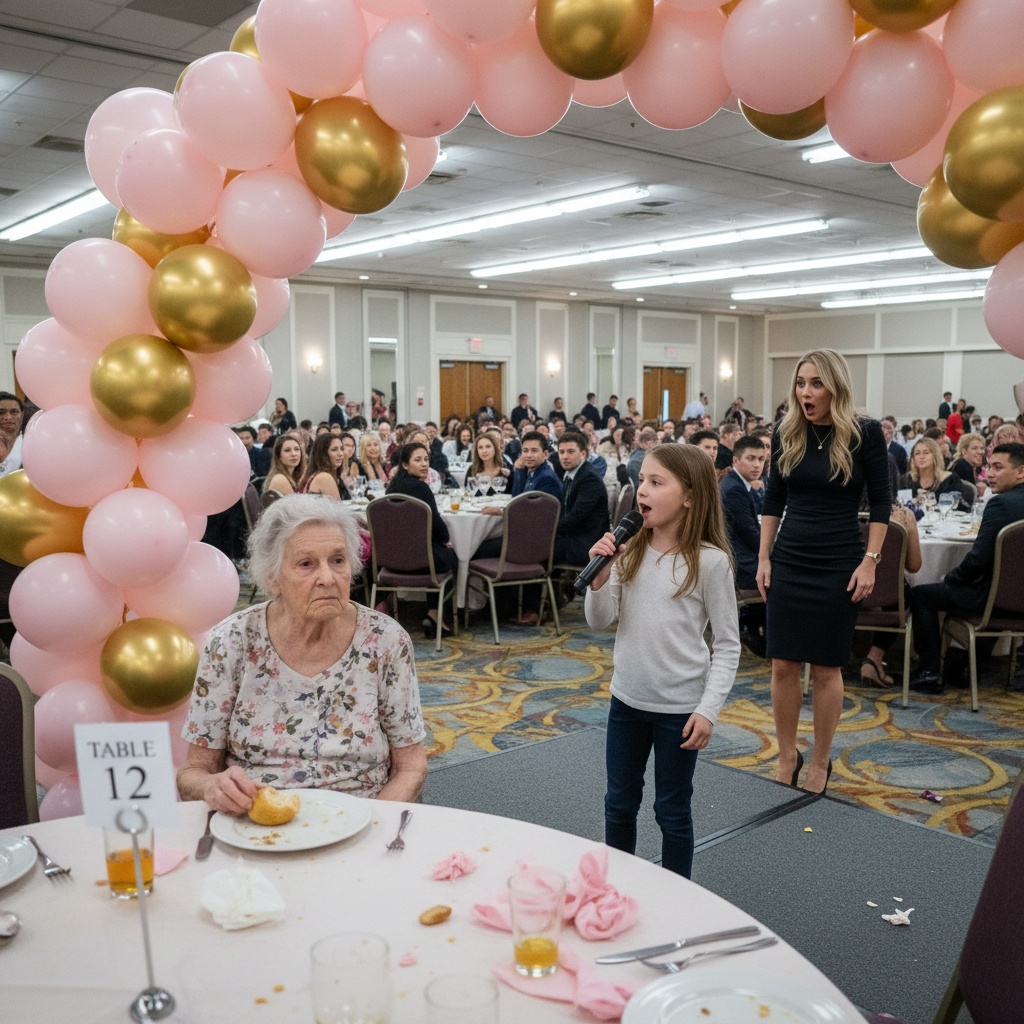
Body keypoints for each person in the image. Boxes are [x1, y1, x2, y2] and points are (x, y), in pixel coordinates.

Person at [176, 497, 427, 810]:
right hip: (259, 824)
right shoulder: (231, 642)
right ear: (273, 578)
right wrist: (213, 786)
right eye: (306, 564)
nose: (327, 577)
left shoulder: (386, 641)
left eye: (338, 560)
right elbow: (192, 774)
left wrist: (375, 822)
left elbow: (412, 767)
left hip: (363, 819)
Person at [584, 443, 740, 878]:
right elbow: (601, 621)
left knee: (671, 810)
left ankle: (678, 897)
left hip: (679, 711)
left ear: (689, 496)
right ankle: (618, 888)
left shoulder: (709, 562)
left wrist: (708, 710)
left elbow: (728, 644)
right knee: (619, 803)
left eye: (657, 483)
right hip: (627, 702)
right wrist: (598, 579)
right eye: (642, 483)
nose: (643, 492)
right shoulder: (628, 548)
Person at [757, 350, 890, 795]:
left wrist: (869, 561)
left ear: (835, 386)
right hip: (791, 555)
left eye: (815, 383)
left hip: (838, 559)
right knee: (782, 664)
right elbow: (773, 500)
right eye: (800, 383)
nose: (805, 392)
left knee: (827, 669)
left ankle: (820, 759)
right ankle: (788, 752)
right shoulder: (786, 431)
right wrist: (764, 558)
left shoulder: (864, 433)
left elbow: (883, 504)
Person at [909, 443, 1024, 693]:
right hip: (1017, 601)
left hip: (995, 601)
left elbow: (978, 560)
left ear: (1021, 472)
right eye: (988, 467)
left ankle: (929, 671)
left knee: (922, 594)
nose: (989, 474)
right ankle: (967, 665)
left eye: (998, 467)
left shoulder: (1001, 504)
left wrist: (951, 577)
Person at [386, 441, 458, 635]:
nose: (424, 464)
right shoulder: (420, 488)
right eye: (418, 460)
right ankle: (436, 614)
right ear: (405, 464)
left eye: (426, 459)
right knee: (452, 557)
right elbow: (436, 523)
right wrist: (445, 540)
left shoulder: (393, 487)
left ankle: (433, 614)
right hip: (420, 558)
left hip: (391, 559)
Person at [858, 504, 923, 687]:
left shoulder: (837, 505)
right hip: (886, 596)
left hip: (843, 592)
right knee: (901, 590)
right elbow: (914, 565)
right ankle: (874, 657)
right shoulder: (902, 515)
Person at [554, 431, 610, 566]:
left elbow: (576, 516)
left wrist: (549, 529)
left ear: (583, 454)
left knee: (535, 546)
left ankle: (535, 585)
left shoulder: (589, 479)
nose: (565, 457)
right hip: (576, 537)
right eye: (561, 452)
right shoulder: (572, 473)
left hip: (587, 544)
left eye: (571, 452)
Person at [898, 436, 968, 511]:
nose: (921, 457)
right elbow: (900, 505)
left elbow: (960, 507)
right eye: (917, 453)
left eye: (926, 453)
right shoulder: (905, 480)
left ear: (935, 455)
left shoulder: (950, 479)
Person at [300, 433, 351, 500]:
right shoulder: (324, 477)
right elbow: (338, 508)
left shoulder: (328, 474)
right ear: (323, 454)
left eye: (342, 449)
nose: (340, 454)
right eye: (334, 450)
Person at [950, 432, 988, 500]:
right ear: (964, 451)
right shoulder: (962, 466)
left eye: (982, 448)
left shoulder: (971, 466)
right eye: (974, 448)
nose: (980, 452)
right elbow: (966, 498)